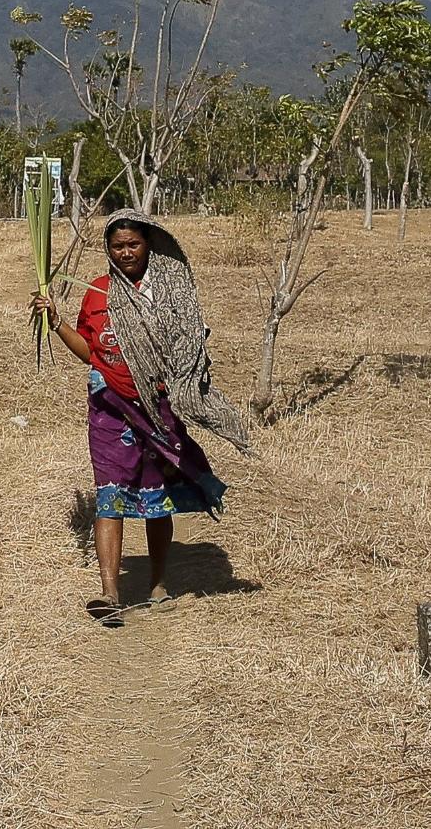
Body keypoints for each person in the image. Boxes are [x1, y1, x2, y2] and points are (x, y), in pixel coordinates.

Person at [33, 210, 252, 625]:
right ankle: (109, 593)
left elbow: (189, 346)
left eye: (133, 244)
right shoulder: (97, 293)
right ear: (108, 250)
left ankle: (156, 583)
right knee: (109, 496)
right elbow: (91, 353)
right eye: (118, 246)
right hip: (109, 413)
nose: (127, 252)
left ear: (149, 243)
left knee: (157, 499)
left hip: (158, 411)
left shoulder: (166, 295)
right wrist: (57, 322)